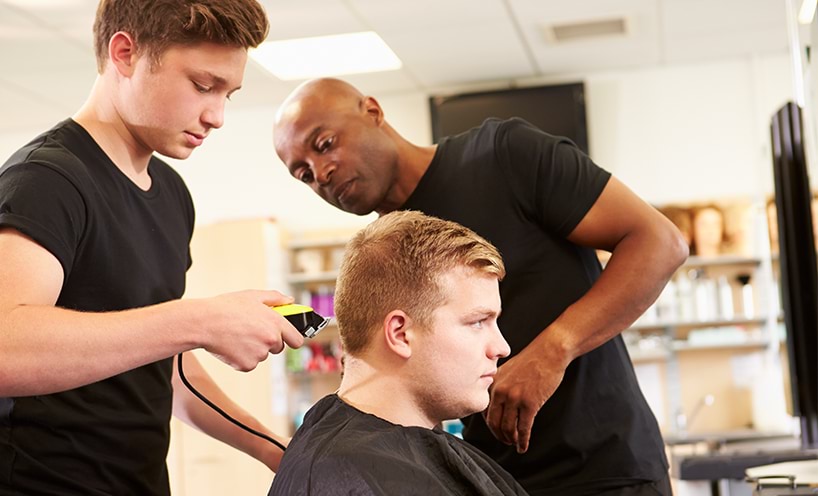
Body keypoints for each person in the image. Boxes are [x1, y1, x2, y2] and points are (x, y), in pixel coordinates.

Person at [273, 78, 689, 495]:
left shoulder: (504, 155)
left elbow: (660, 243)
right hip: (493, 475)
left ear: (373, 112)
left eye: (325, 144)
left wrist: (553, 349)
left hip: (605, 467)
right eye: (303, 174)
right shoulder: (387, 249)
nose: (322, 173)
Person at [0, 1, 305, 495]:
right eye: (203, 86)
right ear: (125, 53)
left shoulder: (171, 193)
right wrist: (198, 321)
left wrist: (276, 450)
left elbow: (162, 366)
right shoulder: (46, 180)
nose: (218, 115)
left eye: (228, 92)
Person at [269, 210, 528, 496]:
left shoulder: (352, 449)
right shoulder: (353, 478)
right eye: (478, 322)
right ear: (400, 334)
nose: (502, 348)